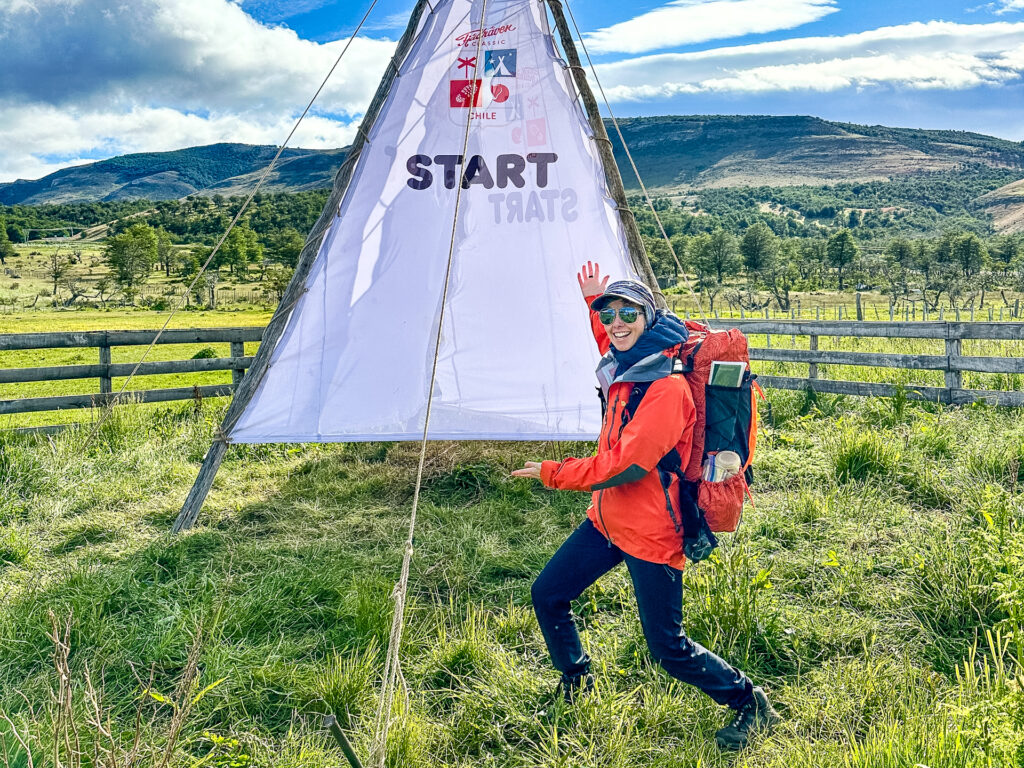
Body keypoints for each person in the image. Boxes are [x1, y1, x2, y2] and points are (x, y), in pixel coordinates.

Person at [512, 262, 779, 751]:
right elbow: (611, 344)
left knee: (667, 648)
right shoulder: (630, 364)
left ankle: (750, 701)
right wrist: (593, 302)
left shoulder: (667, 389)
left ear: (649, 317)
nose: (615, 323)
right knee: (548, 594)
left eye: (627, 313)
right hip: (608, 522)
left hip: (654, 532)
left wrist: (555, 472)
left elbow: (626, 467)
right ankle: (577, 680)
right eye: (608, 314)